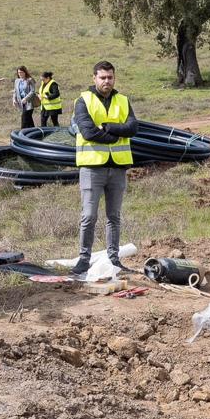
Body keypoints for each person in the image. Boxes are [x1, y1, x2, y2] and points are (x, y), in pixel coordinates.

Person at [71, 61, 138, 275]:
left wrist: (108, 128)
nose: (106, 81)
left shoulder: (123, 100)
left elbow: (133, 127)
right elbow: (88, 132)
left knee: (114, 216)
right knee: (89, 215)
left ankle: (113, 259)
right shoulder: (83, 101)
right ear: (94, 78)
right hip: (92, 167)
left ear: (114, 78)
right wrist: (118, 133)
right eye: (102, 77)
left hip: (117, 168)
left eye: (110, 77)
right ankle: (84, 259)